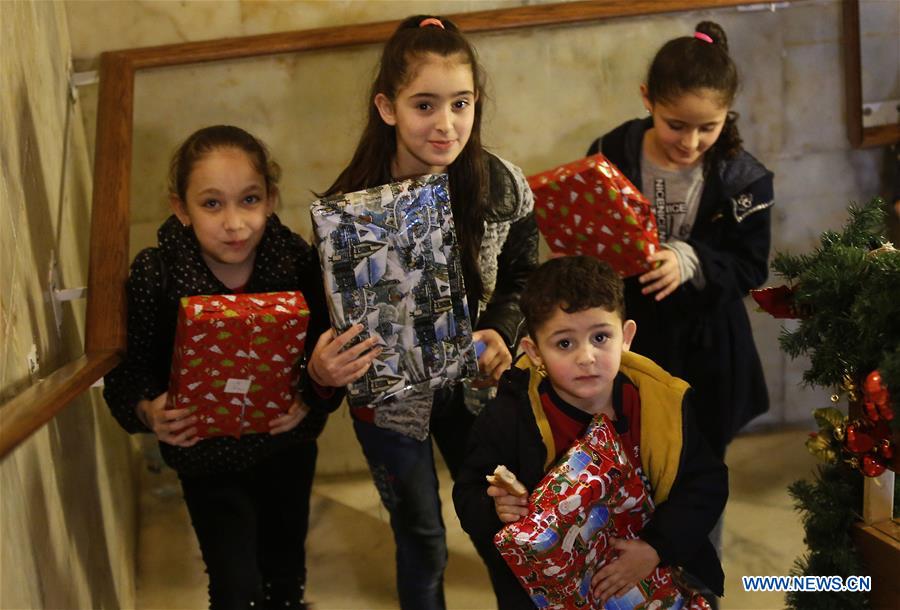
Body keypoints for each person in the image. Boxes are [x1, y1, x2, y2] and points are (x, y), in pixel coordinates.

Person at [103, 125, 380, 610]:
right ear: (180, 207)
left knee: (285, 570)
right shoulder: (158, 274)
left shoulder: (295, 262)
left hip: (285, 447)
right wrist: (149, 412)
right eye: (212, 204)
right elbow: (127, 376)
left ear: (270, 199)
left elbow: (327, 362)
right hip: (206, 457)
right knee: (234, 585)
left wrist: (308, 399)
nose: (234, 223)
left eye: (248, 200)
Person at [320, 14, 539, 610]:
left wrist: (501, 328)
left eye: (461, 103)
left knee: (505, 524)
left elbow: (523, 276)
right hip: (392, 403)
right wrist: (323, 363)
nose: (446, 124)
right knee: (421, 536)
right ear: (387, 108)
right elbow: (330, 317)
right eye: (425, 105)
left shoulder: (501, 184)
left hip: (478, 388)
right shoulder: (350, 206)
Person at [453, 255, 728, 609]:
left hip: (653, 581)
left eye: (600, 337)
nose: (587, 357)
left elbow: (705, 483)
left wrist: (656, 548)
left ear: (626, 337)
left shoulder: (661, 402)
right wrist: (493, 508)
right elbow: (469, 493)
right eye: (565, 343)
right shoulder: (509, 417)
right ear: (535, 352)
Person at [586, 21, 774, 460]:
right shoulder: (610, 153)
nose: (690, 143)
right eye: (675, 125)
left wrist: (689, 259)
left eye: (708, 127)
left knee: (700, 471)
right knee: (635, 458)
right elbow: (591, 227)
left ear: (727, 112)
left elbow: (750, 267)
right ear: (647, 97)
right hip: (631, 337)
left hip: (709, 347)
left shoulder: (742, 178)